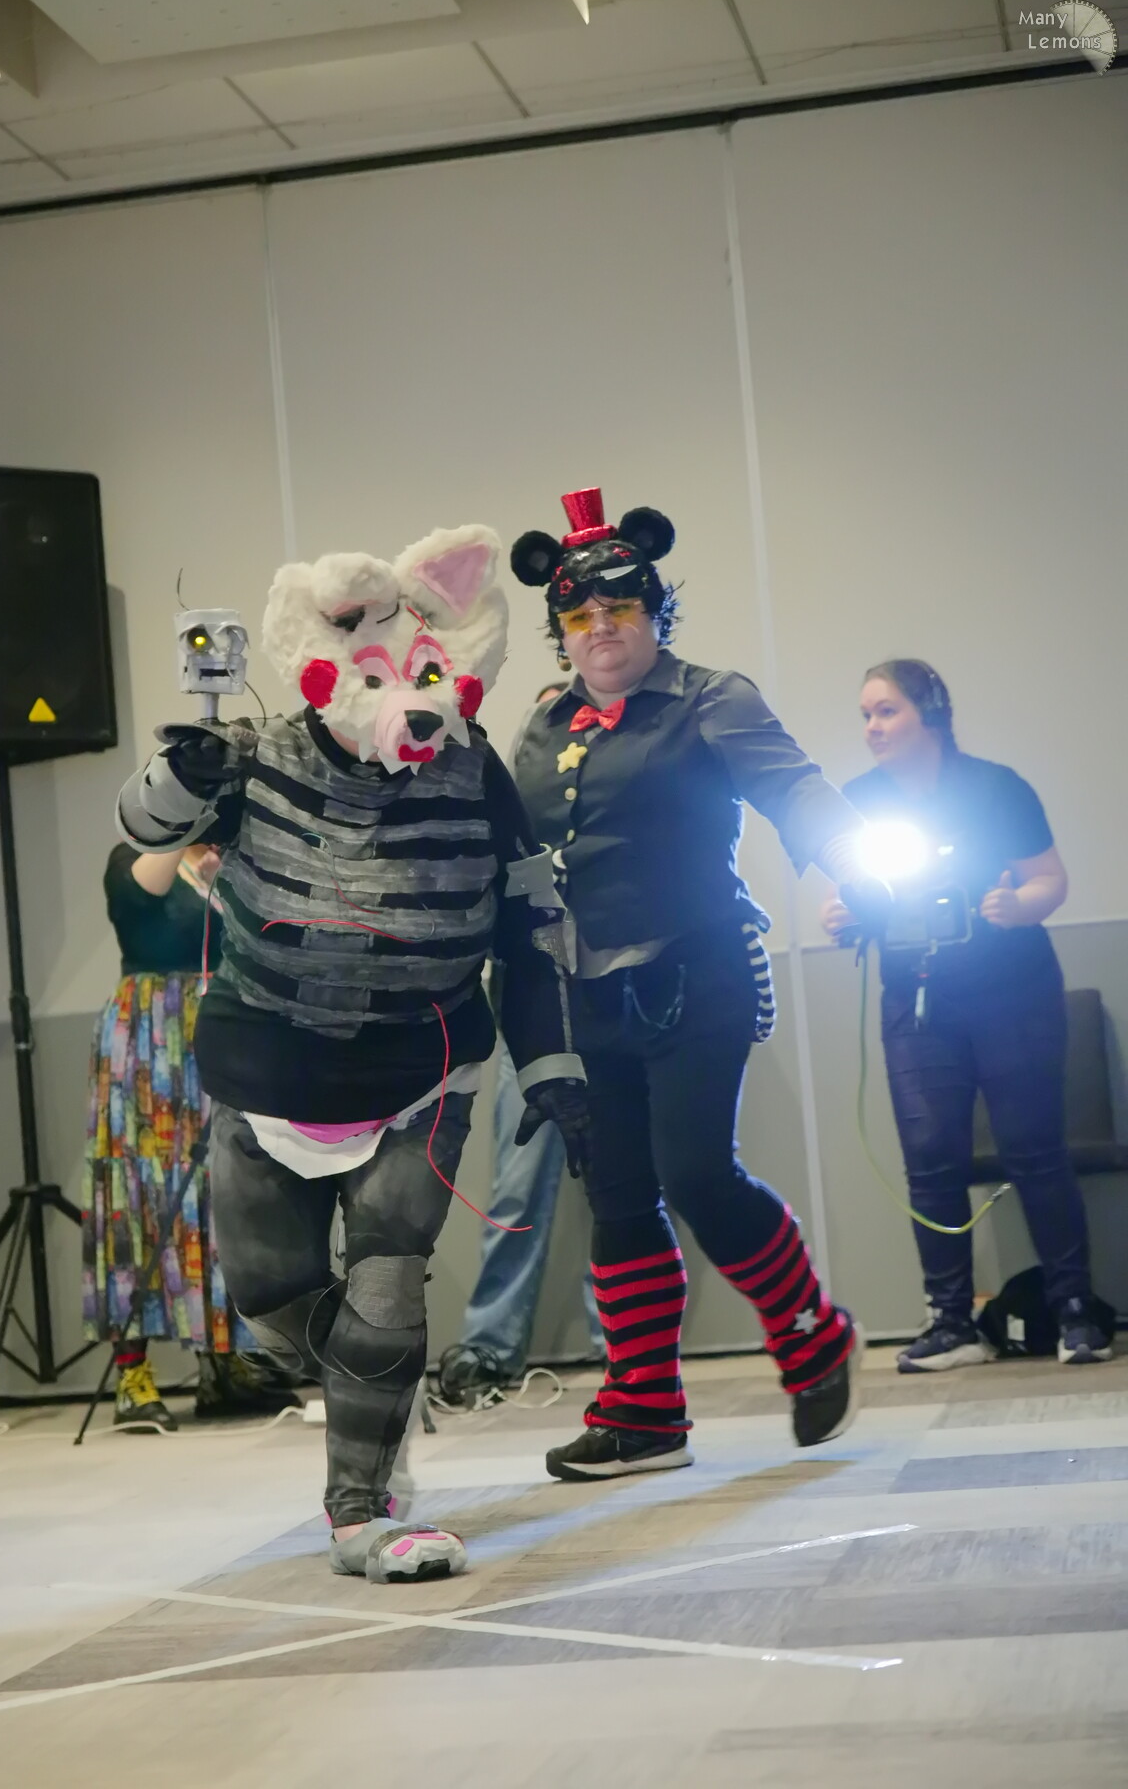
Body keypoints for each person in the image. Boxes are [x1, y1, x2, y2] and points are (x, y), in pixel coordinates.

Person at [115, 522, 589, 1584]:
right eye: (380, 674)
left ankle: (363, 1514)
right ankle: (380, 1384)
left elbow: (529, 913)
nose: (408, 697)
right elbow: (142, 833)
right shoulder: (255, 755)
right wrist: (180, 769)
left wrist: (550, 1064)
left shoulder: (471, 767)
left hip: (421, 1070)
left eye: (424, 673)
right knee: (270, 1298)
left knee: (385, 1294)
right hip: (266, 1072)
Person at [510, 487, 889, 1482]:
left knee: (696, 1175)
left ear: (655, 610)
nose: (600, 629)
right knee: (619, 1198)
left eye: (620, 608)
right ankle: (644, 1411)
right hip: (587, 995)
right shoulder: (542, 726)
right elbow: (513, 857)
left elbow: (793, 787)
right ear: (560, 630)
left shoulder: (712, 697)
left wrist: (854, 864)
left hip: (700, 970)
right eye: (579, 616)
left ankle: (809, 1331)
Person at [821, 658, 1111, 1371]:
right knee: (929, 1157)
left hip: (1014, 992)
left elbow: (1050, 879)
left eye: (886, 711)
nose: (871, 727)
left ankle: (1076, 1312)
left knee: (1034, 1149)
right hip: (918, 1000)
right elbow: (850, 897)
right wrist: (842, 918)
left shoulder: (995, 787)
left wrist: (1017, 906)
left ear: (930, 713)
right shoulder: (858, 803)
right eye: (865, 715)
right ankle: (950, 1321)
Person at [82, 842, 301, 1429]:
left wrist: (230, 879)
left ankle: (222, 1361)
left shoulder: (230, 857)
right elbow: (136, 898)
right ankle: (132, 1373)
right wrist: (180, 827)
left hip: (216, 1032)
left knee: (218, 1194)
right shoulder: (131, 856)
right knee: (139, 1199)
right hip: (146, 1041)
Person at [437, 684, 603, 1406]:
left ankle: (626, 1342)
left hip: (613, 1012)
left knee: (622, 1185)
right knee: (515, 1186)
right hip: (529, 1023)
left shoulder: (618, 806)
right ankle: (490, 1346)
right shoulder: (509, 799)